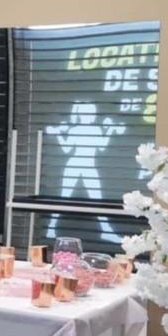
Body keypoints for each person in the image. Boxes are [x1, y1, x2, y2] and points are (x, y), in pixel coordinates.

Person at [45, 102, 124, 241]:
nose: (91, 117)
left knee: (97, 199)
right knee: (64, 197)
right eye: (89, 114)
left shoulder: (95, 130)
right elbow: (67, 149)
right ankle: (51, 227)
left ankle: (106, 230)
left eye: (92, 114)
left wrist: (110, 131)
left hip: (89, 166)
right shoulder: (75, 130)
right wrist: (58, 134)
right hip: (74, 165)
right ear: (82, 116)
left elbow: (102, 147)